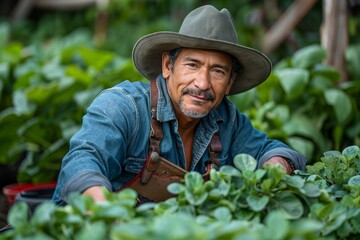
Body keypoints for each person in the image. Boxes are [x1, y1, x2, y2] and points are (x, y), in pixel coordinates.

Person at [52, 5, 306, 204]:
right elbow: (82, 161)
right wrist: (102, 208)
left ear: (230, 83)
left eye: (218, 71)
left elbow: (272, 150)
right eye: (192, 65)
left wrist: (276, 168)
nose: (203, 83)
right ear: (167, 66)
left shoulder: (226, 119)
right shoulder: (123, 106)